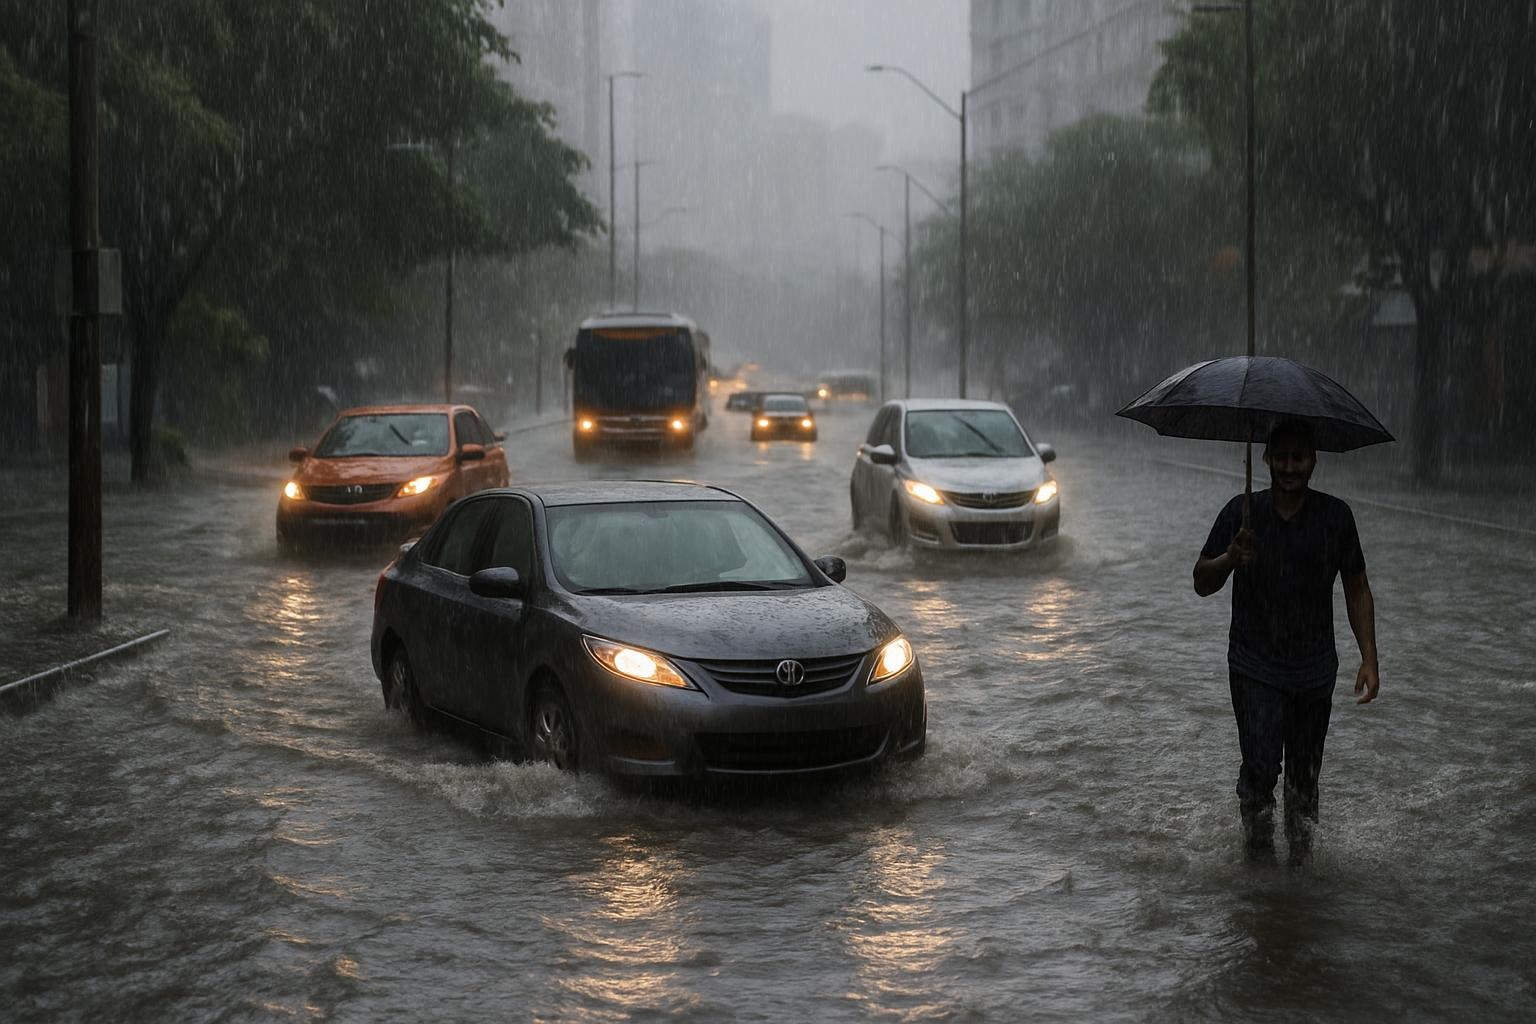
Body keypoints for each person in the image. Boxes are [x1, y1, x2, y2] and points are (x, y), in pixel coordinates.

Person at [1193, 418, 1380, 864]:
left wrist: (1369, 657)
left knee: (1303, 777)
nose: (1290, 467)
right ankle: (1258, 867)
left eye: (1299, 458)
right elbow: (1201, 581)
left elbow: (1357, 587)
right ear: (1267, 459)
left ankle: (1299, 869)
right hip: (1254, 663)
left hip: (1314, 668)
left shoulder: (1336, 517)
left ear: (1314, 460)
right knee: (1259, 768)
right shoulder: (1242, 514)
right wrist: (1230, 557)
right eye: (1281, 458)